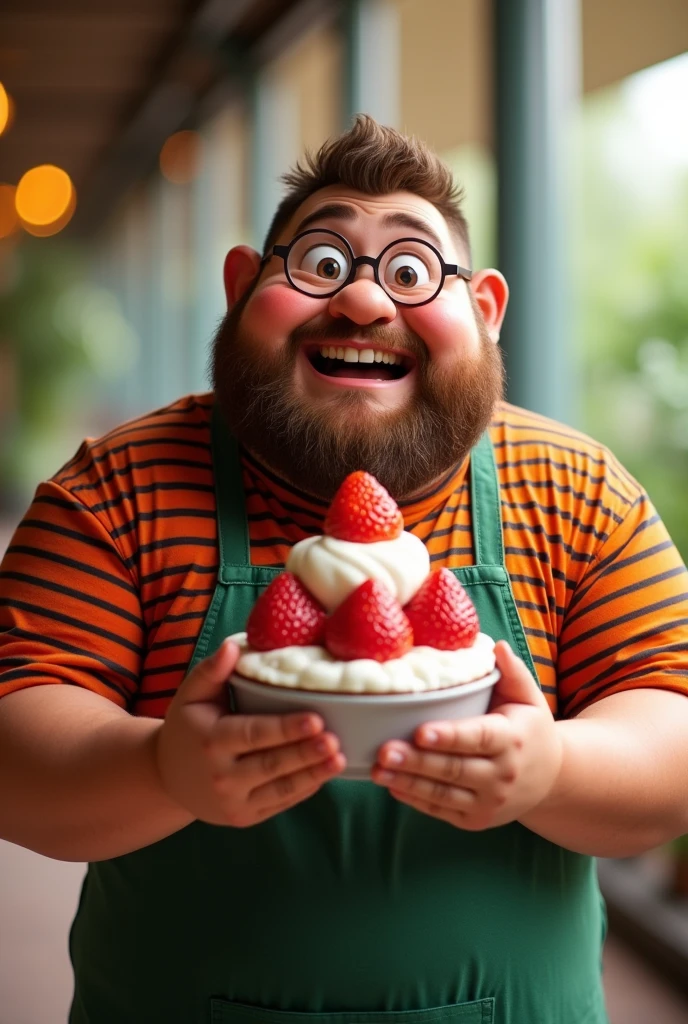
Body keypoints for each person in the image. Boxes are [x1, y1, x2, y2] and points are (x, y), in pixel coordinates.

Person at [1, 115, 687, 1024]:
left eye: (410, 271)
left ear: (483, 312)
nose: (365, 304)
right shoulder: (113, 491)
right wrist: (161, 770)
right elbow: (15, 743)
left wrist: (555, 768)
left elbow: (671, 727)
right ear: (244, 286)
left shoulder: (577, 493)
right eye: (323, 263)